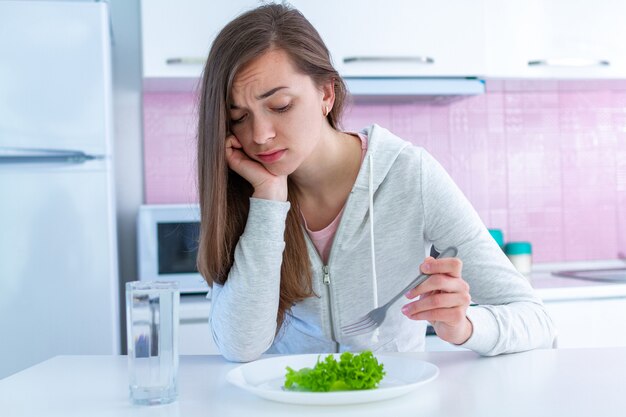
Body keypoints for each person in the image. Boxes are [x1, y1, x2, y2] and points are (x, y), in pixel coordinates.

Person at [196, 3, 555, 362]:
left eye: (280, 106)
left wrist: (465, 326)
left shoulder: (408, 175)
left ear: (326, 94)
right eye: (240, 118)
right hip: (290, 404)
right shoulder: (245, 191)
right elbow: (239, 347)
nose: (259, 135)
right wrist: (269, 202)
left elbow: (536, 319)